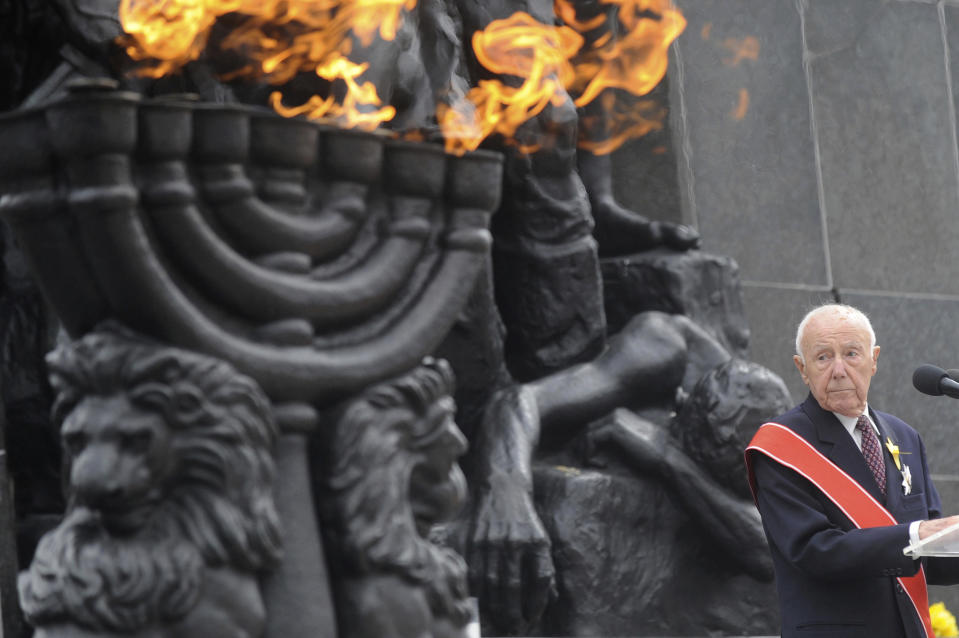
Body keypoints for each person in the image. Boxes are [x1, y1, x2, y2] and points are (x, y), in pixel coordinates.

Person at [746, 303, 959, 638]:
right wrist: (917, 535)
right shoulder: (779, 446)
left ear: (874, 359)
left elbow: (930, 556)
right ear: (802, 369)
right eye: (823, 357)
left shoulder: (905, 437)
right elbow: (814, 550)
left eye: (851, 353)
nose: (839, 369)